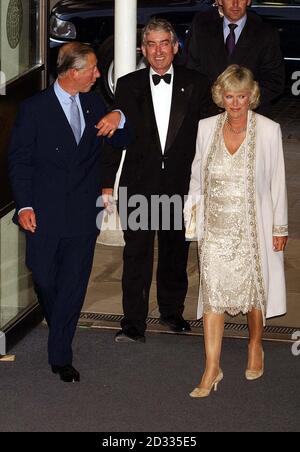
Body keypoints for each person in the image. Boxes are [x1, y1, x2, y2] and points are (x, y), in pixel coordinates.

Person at [8, 42, 130, 383]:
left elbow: (123, 140)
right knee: (44, 277)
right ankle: (59, 319)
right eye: (92, 69)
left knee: (74, 285)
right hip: (43, 214)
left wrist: (119, 117)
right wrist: (25, 205)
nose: (97, 74)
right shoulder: (34, 109)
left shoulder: (94, 104)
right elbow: (20, 161)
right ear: (73, 72)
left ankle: (60, 355)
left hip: (81, 214)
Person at [100, 18, 210, 343]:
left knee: (175, 253)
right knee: (137, 256)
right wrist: (106, 182)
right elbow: (114, 135)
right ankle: (133, 324)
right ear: (143, 50)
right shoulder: (128, 84)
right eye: (152, 44)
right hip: (139, 185)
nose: (159, 50)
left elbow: (209, 136)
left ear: (176, 48)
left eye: (165, 43)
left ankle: (171, 313)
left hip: (180, 184)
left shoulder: (198, 84)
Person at [185, 65, 288, 398]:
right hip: (214, 228)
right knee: (212, 295)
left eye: (241, 96)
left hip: (252, 226)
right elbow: (197, 177)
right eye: (229, 96)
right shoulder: (205, 128)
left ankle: (255, 345)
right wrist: (192, 219)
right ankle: (211, 367)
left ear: (251, 96)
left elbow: (277, 182)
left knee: (255, 295)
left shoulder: (269, 131)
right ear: (221, 96)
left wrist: (279, 226)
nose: (235, 103)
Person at [186, 0, 285, 111]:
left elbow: (275, 80)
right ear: (219, 1)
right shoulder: (202, 31)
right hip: (209, 113)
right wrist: (216, 99)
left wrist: (243, 100)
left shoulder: (266, 34)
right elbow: (192, 72)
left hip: (250, 115)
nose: (235, 3)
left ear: (248, 1)